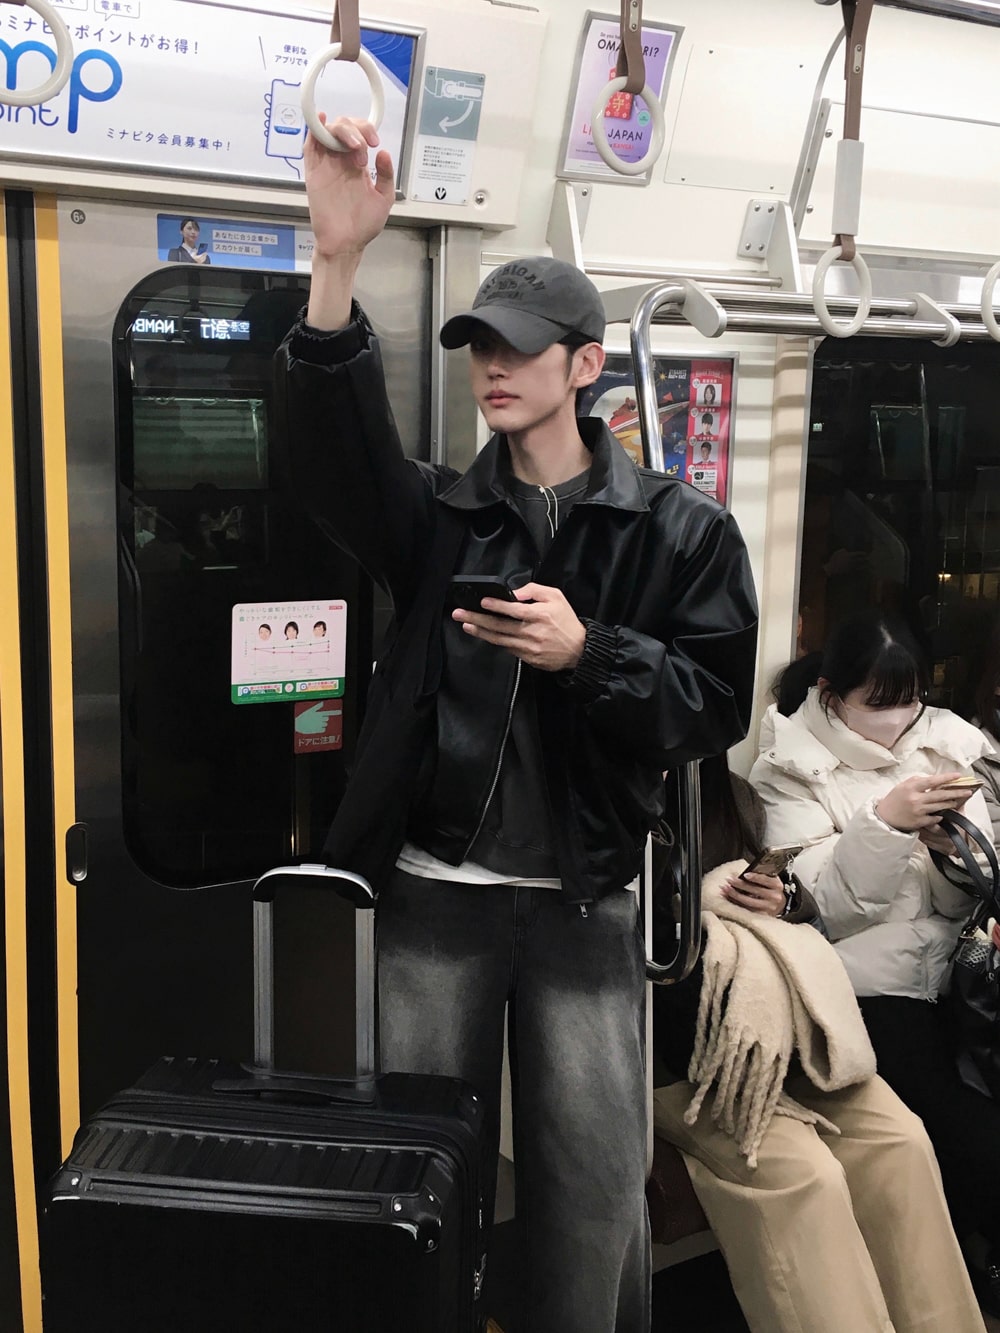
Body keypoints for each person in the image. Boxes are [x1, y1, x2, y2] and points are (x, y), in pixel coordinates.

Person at [274, 112, 759, 1333]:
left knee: (591, 1189)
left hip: (584, 899)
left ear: (585, 365)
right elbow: (332, 460)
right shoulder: (440, 519)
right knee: (417, 1168)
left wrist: (588, 653)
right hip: (436, 890)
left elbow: (710, 708)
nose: (494, 365)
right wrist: (335, 262)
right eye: (480, 345)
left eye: (520, 348)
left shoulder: (679, 530)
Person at [651, 754, 986, 1333]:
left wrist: (783, 901)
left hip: (782, 1031)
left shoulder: (727, 792)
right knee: (806, 1175)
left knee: (901, 1140)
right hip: (685, 1054)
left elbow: (806, 908)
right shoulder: (598, 796)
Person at [749, 609, 1000, 1311]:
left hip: (958, 973)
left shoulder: (952, 744)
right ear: (832, 695)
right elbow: (822, 906)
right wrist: (886, 824)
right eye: (879, 702)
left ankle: (974, 1256)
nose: (897, 719)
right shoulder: (789, 766)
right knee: (961, 1137)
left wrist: (952, 855)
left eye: (909, 700)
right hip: (864, 990)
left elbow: (972, 890)